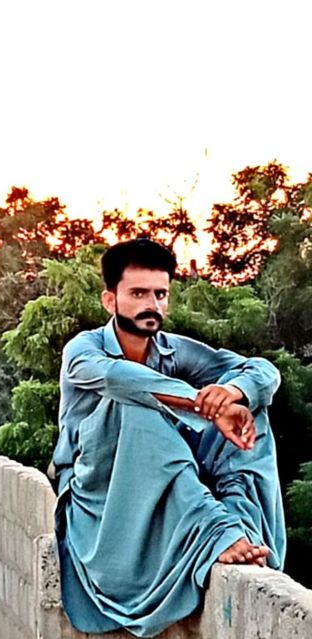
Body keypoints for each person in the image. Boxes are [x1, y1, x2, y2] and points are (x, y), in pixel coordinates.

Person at [53, 238, 286, 638]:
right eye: (138, 294)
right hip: (100, 497)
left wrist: (231, 394)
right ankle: (216, 533)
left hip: (168, 483)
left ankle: (243, 529)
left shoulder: (175, 351)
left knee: (250, 410)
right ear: (110, 300)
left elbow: (263, 372)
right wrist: (202, 403)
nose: (152, 305)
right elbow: (121, 379)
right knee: (136, 406)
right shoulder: (84, 350)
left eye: (160, 294)